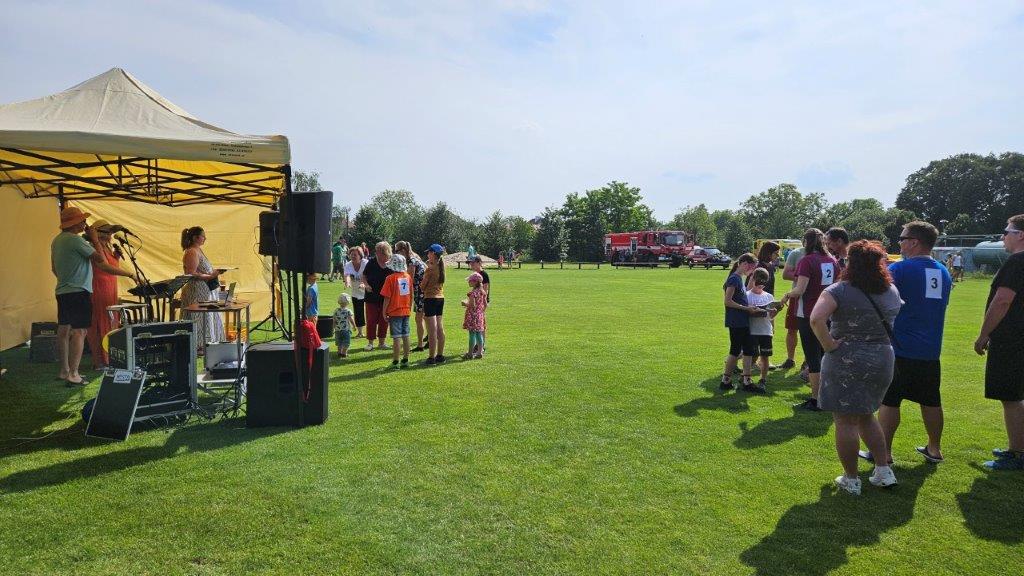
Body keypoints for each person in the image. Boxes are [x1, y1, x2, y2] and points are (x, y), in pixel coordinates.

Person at [811, 240, 903, 495]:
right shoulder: (891, 290)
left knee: (844, 420)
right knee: (866, 414)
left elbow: (816, 319)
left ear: (851, 263)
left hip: (846, 359)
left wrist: (829, 345)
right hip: (882, 357)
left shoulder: (839, 290)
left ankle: (851, 479)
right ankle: (883, 470)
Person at [870, 221, 951, 465]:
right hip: (930, 349)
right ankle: (934, 449)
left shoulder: (900, 269)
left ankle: (883, 453)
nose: (900, 243)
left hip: (900, 346)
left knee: (890, 400)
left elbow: (879, 300)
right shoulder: (943, 271)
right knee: (931, 400)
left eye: (902, 238)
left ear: (914, 242)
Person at [51, 207, 136, 385]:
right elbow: (101, 262)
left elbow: (54, 269)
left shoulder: (57, 240)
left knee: (64, 331)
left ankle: (64, 370)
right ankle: (74, 374)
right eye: (82, 220)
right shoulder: (76, 240)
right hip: (79, 291)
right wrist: (95, 239)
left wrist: (67, 279)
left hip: (63, 290)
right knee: (80, 331)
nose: (85, 223)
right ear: (75, 223)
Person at [974, 214, 1024, 470]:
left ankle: (1017, 453)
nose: (1003, 237)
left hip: (1011, 339)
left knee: (1010, 397)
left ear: (1020, 235)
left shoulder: (1016, 261)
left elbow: (1003, 300)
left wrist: (984, 334)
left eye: (1007, 232)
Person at [782, 228, 839, 411]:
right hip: (828, 312)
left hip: (808, 313)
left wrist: (786, 295)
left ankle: (816, 400)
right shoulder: (832, 260)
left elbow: (800, 290)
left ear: (806, 242)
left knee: (813, 359)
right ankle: (827, 396)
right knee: (825, 356)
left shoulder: (806, 260)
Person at [85, 219, 134, 369]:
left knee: (111, 322)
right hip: (99, 287)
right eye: (108, 231)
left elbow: (110, 264)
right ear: (98, 233)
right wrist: (130, 274)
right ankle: (100, 361)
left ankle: (109, 357)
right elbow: (104, 266)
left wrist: (117, 256)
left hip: (110, 287)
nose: (111, 234)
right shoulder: (94, 246)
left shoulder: (107, 246)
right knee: (100, 323)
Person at [180, 226, 226, 350]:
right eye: (203, 236)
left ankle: (208, 343)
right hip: (197, 290)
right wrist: (211, 276)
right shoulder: (192, 252)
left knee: (207, 317)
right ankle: (199, 345)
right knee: (199, 318)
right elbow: (191, 273)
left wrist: (213, 273)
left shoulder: (198, 250)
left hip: (205, 289)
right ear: (195, 237)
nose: (205, 238)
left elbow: (200, 270)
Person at [721, 253, 759, 391]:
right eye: (751, 267)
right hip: (736, 321)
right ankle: (725, 380)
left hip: (743, 320)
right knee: (735, 350)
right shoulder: (734, 279)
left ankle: (746, 381)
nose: (752, 271)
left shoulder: (739, 278)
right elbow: (727, 301)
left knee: (748, 350)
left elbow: (743, 295)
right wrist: (746, 308)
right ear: (744, 264)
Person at [745, 267, 777, 393]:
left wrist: (773, 318)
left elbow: (771, 317)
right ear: (753, 279)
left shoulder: (769, 296)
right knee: (750, 356)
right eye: (759, 281)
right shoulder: (747, 295)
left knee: (765, 356)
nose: (761, 285)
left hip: (765, 331)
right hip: (752, 331)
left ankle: (763, 380)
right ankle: (746, 378)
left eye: (764, 282)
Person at [380, 254, 413, 369]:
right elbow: (411, 295)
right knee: (406, 335)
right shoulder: (408, 277)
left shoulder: (390, 278)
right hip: (406, 310)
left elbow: (387, 297)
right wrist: (409, 307)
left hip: (395, 312)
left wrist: (384, 311)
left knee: (396, 337)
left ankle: (395, 362)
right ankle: (405, 360)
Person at [395, 241, 427, 351]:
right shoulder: (415, 258)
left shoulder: (411, 262)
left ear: (403, 250)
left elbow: (409, 280)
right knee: (424, 318)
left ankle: (420, 345)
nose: (395, 253)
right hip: (423, 292)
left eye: (396, 251)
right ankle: (428, 339)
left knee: (419, 319)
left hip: (420, 293)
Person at [362, 241, 394, 351]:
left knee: (384, 320)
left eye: (380, 252)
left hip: (386, 297)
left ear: (386, 252)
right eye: (377, 251)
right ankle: (370, 343)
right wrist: (366, 285)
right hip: (371, 296)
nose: (377, 254)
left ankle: (382, 343)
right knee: (371, 319)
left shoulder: (391, 263)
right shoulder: (372, 262)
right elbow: (364, 276)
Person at [779, 242, 806, 371]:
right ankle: (790, 359)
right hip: (796, 295)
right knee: (792, 328)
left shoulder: (825, 254)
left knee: (812, 331)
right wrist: (805, 276)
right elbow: (785, 274)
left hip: (815, 298)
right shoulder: (797, 253)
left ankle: (808, 360)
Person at [421, 243, 447, 365]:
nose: (427, 254)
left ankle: (431, 357)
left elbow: (422, 286)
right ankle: (440, 355)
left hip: (430, 299)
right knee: (440, 328)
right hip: (440, 298)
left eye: (429, 252)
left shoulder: (429, 269)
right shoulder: (441, 267)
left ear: (433, 254)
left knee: (432, 330)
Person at [462, 272, 488, 359]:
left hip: (472, 316)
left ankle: (470, 353)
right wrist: (481, 312)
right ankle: (479, 352)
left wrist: (465, 303)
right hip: (480, 315)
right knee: (479, 334)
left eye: (470, 281)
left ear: (475, 282)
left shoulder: (473, 293)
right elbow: (485, 305)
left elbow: (472, 305)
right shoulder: (482, 292)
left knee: (472, 334)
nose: (468, 282)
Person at [344, 247, 367, 338]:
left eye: (355, 255)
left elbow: (368, 275)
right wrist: (347, 282)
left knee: (370, 311)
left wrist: (364, 283)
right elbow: (347, 275)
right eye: (351, 254)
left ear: (360, 255)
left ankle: (372, 331)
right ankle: (360, 332)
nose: (353, 256)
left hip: (368, 290)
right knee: (358, 311)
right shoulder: (348, 264)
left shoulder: (365, 263)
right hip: (356, 292)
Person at [333, 293, 355, 358]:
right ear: (348, 302)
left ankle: (339, 352)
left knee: (339, 342)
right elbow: (351, 319)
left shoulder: (336, 310)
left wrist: (333, 327)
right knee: (346, 342)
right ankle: (344, 353)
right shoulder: (348, 311)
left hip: (337, 330)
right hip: (346, 330)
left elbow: (334, 320)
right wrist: (354, 325)